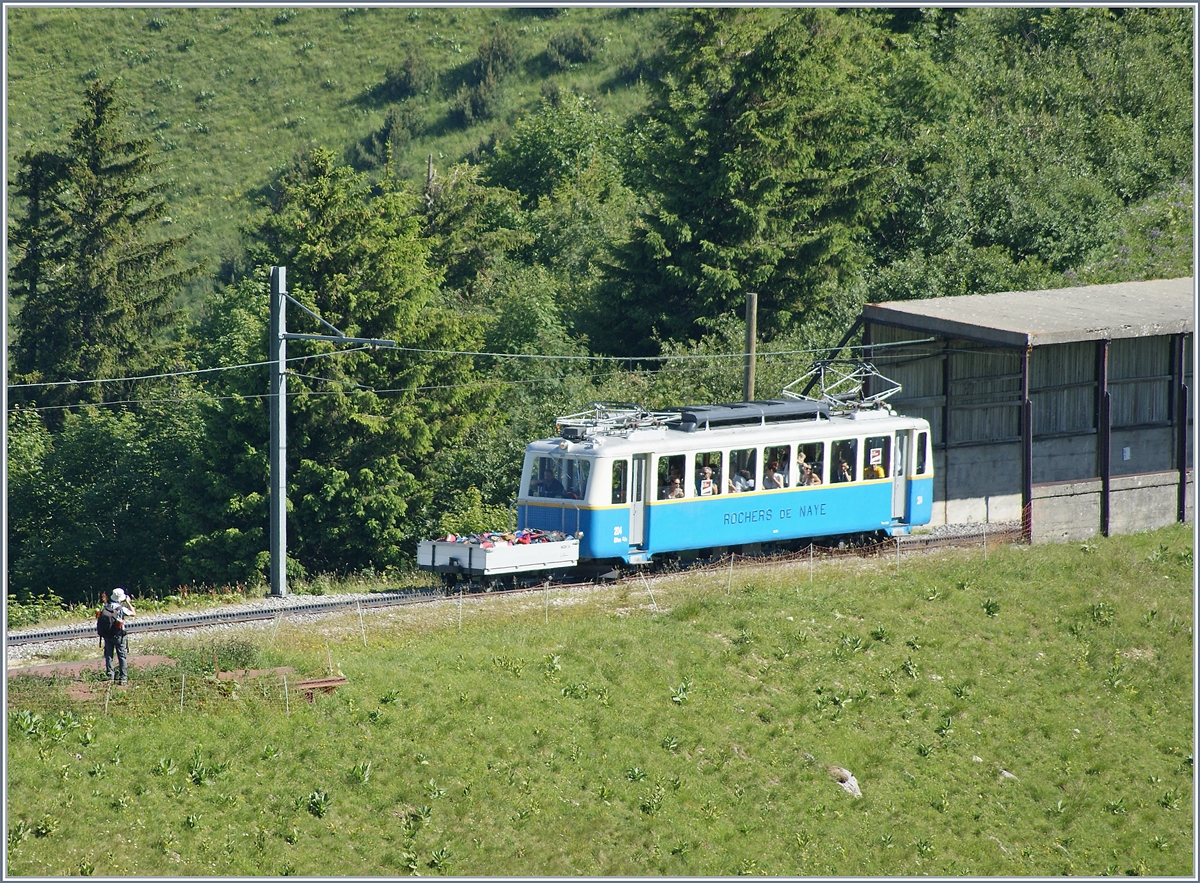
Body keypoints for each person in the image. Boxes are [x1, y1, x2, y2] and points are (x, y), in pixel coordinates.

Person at [100, 587, 135, 685]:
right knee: (122, 656)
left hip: (107, 635)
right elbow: (133, 613)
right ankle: (123, 679)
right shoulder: (121, 608)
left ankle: (110, 677)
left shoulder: (107, 607)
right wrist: (128, 603)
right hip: (119, 635)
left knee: (109, 656)